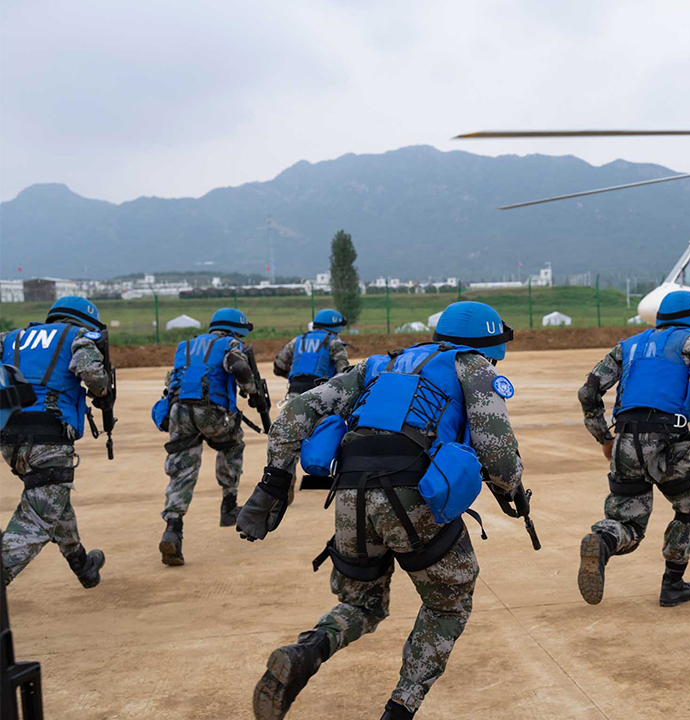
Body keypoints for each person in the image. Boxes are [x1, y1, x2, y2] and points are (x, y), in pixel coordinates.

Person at [236, 301, 527, 720]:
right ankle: (400, 707)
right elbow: (498, 456)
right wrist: (513, 488)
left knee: (362, 603)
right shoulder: (474, 367)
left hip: (349, 494)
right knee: (448, 602)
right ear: (489, 343)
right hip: (414, 496)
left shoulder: (378, 365)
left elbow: (296, 412)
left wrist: (274, 482)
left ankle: (307, 651)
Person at [576, 289, 690, 607]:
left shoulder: (629, 345)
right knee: (687, 510)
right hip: (673, 441)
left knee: (628, 521)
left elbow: (588, 391)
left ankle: (601, 543)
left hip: (626, 440)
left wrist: (604, 437)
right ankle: (673, 585)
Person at [1, 297, 111, 588]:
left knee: (52, 500)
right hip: (49, 437)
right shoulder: (79, 336)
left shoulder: (12, 337)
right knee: (36, 519)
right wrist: (102, 394)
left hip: (10, 438)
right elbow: (92, 374)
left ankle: (82, 565)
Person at [158, 307, 266, 566]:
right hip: (212, 411)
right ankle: (229, 506)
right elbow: (238, 365)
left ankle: (173, 528)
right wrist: (251, 391)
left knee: (182, 470)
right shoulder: (229, 343)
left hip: (179, 411)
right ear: (237, 329)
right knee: (232, 444)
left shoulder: (185, 346)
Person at [273, 308, 352, 483]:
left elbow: (278, 366)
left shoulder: (298, 341)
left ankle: (287, 482)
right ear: (335, 326)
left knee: (292, 437)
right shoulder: (334, 341)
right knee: (326, 433)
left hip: (295, 393)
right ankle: (322, 474)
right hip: (321, 394)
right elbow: (343, 372)